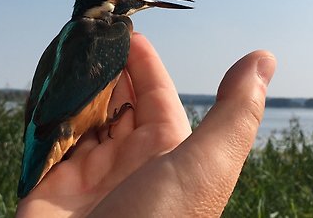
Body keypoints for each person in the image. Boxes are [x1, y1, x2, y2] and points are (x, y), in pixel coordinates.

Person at [16, 32, 276, 217]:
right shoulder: (112, 34)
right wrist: (105, 119)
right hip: (62, 126)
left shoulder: (64, 39)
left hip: (45, 125)